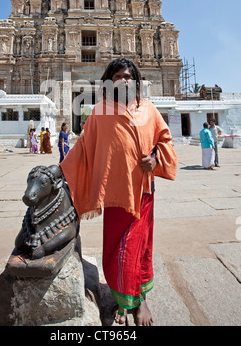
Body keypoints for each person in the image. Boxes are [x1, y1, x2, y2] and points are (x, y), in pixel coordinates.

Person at [60, 58, 177, 326]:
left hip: (144, 191)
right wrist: (60, 172)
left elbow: (164, 140)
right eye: (117, 77)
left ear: (135, 81)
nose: (123, 80)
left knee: (139, 248)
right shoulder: (100, 112)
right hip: (115, 194)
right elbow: (83, 149)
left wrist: (157, 159)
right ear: (109, 83)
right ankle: (123, 298)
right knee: (117, 251)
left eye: (128, 76)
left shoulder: (148, 110)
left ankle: (138, 300)